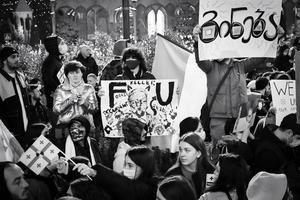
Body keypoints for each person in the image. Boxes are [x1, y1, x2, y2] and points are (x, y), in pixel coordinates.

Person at [193, 25, 273, 148]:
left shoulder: (240, 66)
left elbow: (259, 58)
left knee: (238, 153)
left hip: (240, 119)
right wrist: (197, 42)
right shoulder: (210, 67)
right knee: (220, 152)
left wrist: (272, 37)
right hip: (218, 121)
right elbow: (200, 60)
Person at [73, 145, 159, 200]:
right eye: (125, 164)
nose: (125, 168)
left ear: (144, 167)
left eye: (130, 165)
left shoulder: (151, 188)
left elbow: (127, 188)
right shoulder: (121, 179)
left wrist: (95, 173)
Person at [251, 113, 300, 199]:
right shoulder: (268, 153)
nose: (298, 142)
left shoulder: (283, 144)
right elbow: (269, 187)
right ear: (289, 133)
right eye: (298, 138)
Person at [53, 61, 98, 136]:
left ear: (82, 73)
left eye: (77, 72)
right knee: (65, 147)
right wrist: (69, 102)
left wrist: (84, 102)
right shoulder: (60, 89)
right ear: (67, 75)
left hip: (85, 127)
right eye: (71, 73)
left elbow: (94, 109)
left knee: (85, 147)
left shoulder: (89, 88)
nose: (75, 75)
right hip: (65, 127)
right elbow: (56, 110)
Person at [165, 132, 215, 198]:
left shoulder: (210, 171)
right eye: (180, 150)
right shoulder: (172, 174)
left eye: (187, 150)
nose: (182, 154)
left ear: (198, 153)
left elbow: (211, 196)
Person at [0, 46, 30, 147]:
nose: (17, 59)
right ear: (4, 60)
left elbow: (27, 103)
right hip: (10, 135)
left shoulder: (20, 75)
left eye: (17, 56)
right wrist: (7, 132)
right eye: (13, 57)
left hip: (27, 131)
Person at [42, 35, 67, 109]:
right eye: (61, 43)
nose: (64, 45)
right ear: (54, 46)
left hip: (62, 99)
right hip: (55, 102)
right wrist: (59, 90)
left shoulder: (57, 60)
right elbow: (48, 79)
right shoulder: (50, 61)